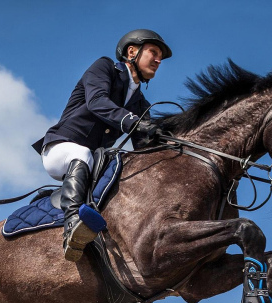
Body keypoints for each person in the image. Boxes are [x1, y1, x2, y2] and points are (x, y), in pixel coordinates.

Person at [32, 29, 172, 262]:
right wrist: (132, 122)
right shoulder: (104, 67)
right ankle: (73, 223)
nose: (158, 60)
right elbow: (97, 102)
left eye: (160, 57)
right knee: (83, 153)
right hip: (60, 148)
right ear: (132, 51)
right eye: (154, 52)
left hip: (94, 160)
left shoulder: (141, 103)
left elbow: (144, 149)